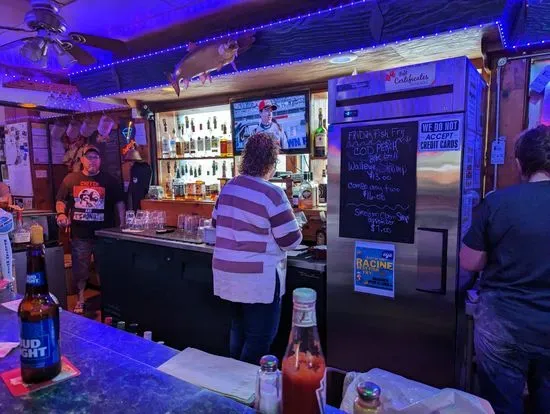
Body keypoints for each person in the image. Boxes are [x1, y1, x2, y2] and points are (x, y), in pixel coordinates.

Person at [460, 124, 550, 414]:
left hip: (503, 325)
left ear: (520, 163)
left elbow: (469, 261)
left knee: (502, 406)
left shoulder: (498, 202)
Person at [212, 132, 302, 364]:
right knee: (259, 340)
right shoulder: (272, 193)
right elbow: (291, 240)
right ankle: (246, 384)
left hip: (228, 276)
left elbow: (215, 223)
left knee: (238, 331)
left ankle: (234, 380)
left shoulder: (229, 187)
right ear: (271, 162)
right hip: (257, 280)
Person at [56, 145, 125, 315]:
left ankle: (107, 300)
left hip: (104, 234)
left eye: (95, 157)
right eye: (89, 157)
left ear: (100, 160)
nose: (92, 160)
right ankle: (80, 299)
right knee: (80, 269)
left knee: (106, 268)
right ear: (82, 160)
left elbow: (120, 203)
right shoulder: (71, 179)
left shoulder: (110, 180)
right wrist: (61, 214)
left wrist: (123, 225)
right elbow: (61, 200)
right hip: (80, 234)